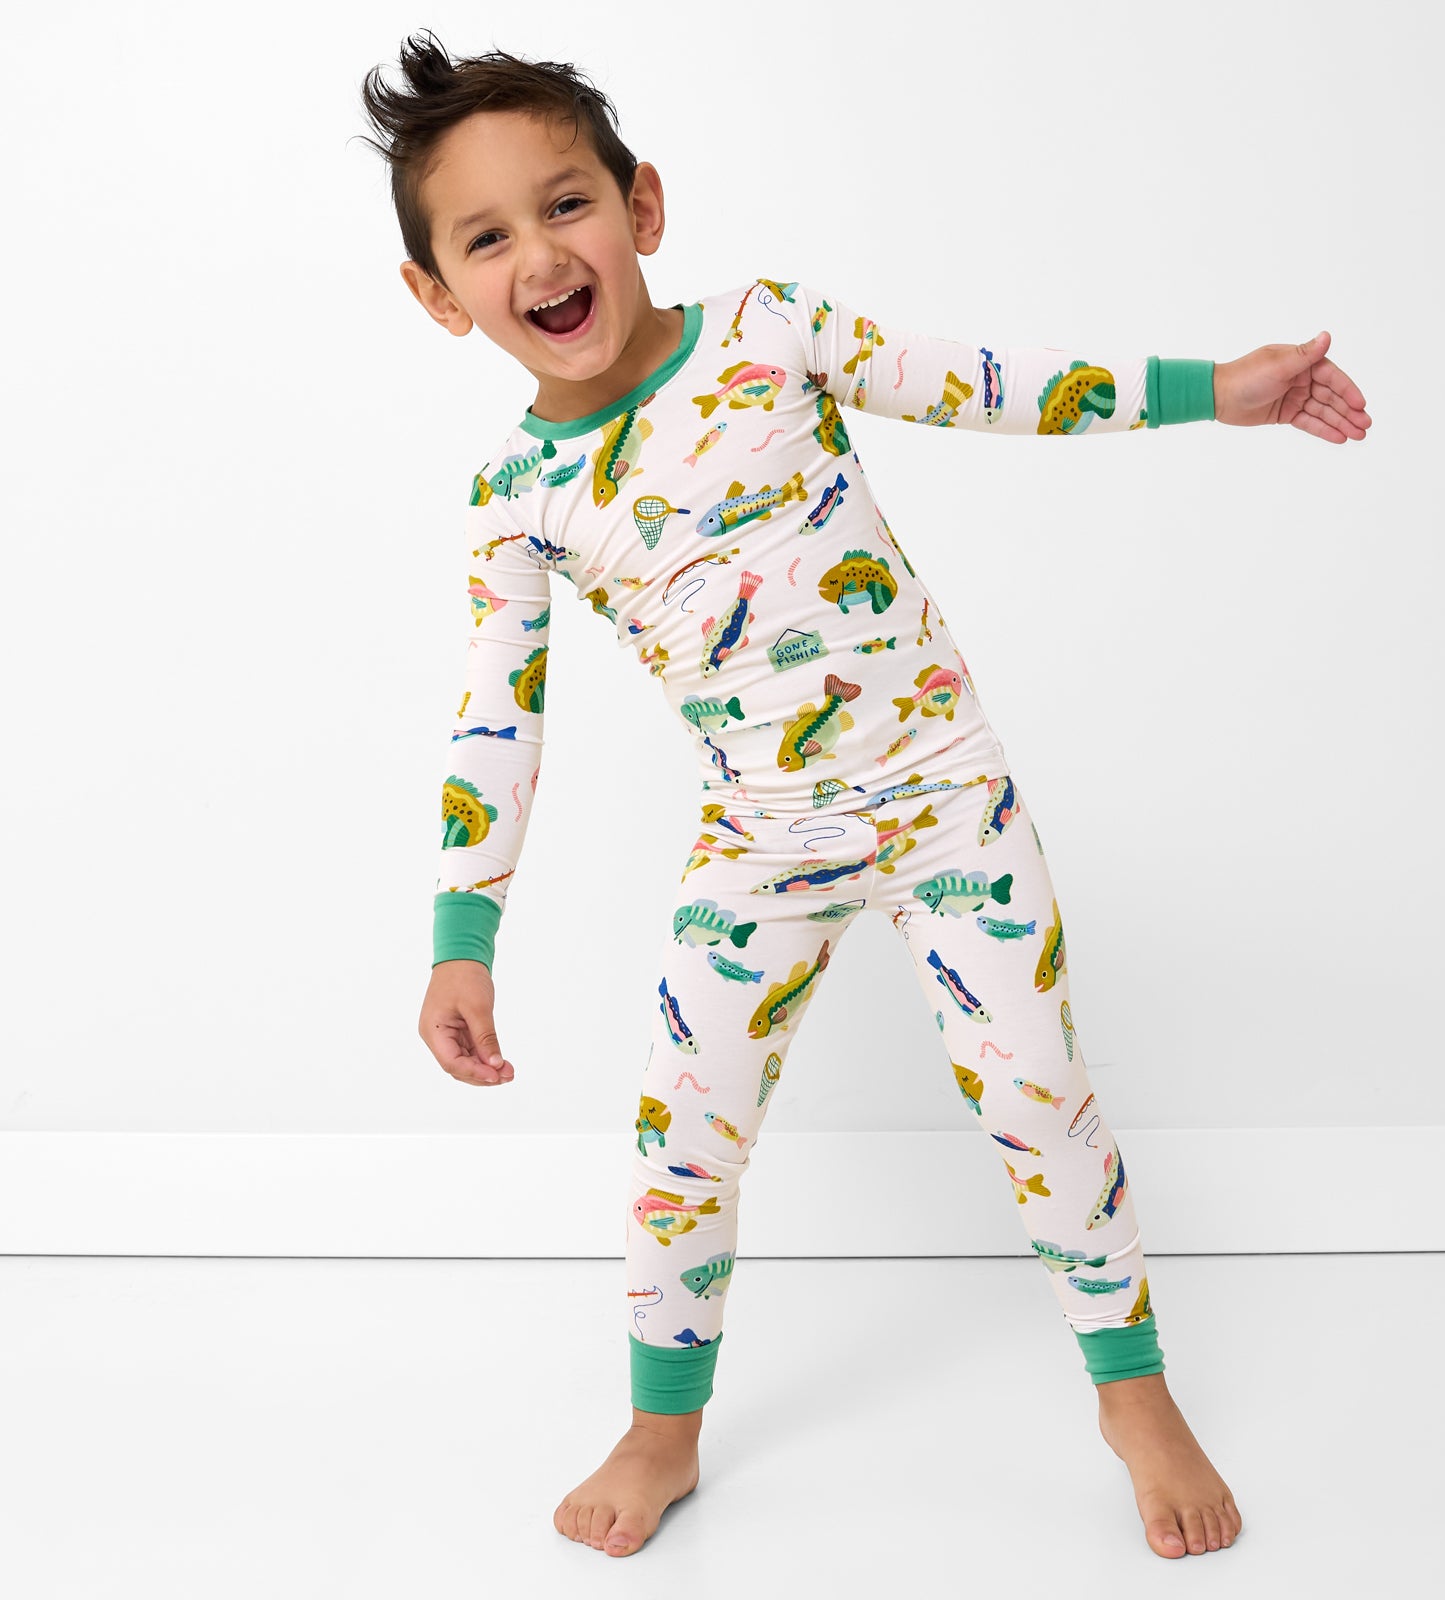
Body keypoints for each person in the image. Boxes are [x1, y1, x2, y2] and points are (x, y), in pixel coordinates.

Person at [357, 29, 1369, 1565]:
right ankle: (663, 1426)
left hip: (945, 799)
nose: (542, 257)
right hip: (762, 839)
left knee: (1036, 1097)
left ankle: (1135, 1395)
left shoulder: (768, 330)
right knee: (680, 1141)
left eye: (566, 205)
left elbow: (985, 386)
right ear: (440, 296)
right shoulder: (520, 498)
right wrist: (461, 940)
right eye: (485, 239)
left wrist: (1216, 389)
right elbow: (497, 716)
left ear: (642, 205)